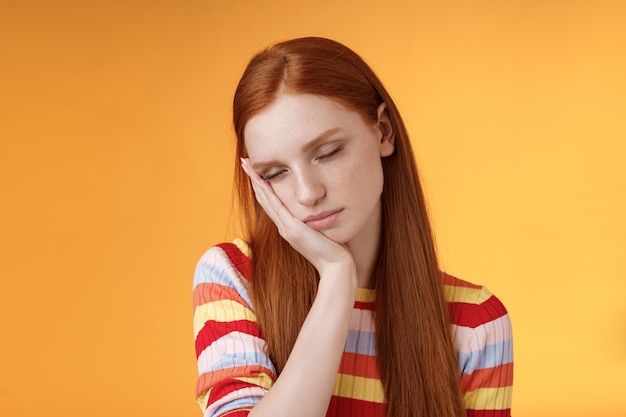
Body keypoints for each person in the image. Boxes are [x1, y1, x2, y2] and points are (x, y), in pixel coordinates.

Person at [192, 37, 513, 417]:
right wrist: (336, 276)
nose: (308, 193)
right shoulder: (232, 276)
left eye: (327, 153)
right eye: (275, 173)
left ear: (383, 132)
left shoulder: (476, 323)